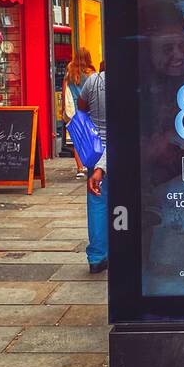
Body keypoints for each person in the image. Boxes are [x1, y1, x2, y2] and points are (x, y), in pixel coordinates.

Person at [78, 59, 108, 274]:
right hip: (124, 151)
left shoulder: (93, 81)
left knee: (98, 204)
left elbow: (81, 109)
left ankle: (97, 257)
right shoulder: (130, 80)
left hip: (95, 150)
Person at [64, 47, 96, 177]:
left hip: (74, 109)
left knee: (77, 139)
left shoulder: (69, 72)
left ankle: (80, 168)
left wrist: (63, 109)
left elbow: (65, 90)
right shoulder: (92, 73)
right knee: (90, 138)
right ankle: (90, 165)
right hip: (88, 108)